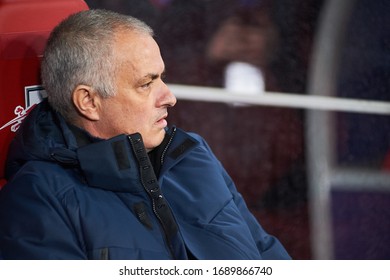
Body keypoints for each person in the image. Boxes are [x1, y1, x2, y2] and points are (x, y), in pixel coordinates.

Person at [0, 9, 290, 260]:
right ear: (89, 102)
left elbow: (265, 253)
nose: (170, 97)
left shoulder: (191, 156)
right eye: (146, 84)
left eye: (162, 77)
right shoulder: (38, 198)